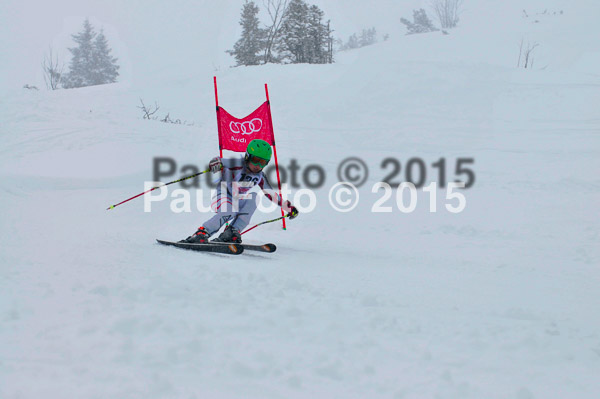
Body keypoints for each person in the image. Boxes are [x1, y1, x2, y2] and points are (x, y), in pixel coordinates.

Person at [180, 139, 298, 244]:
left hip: (238, 199)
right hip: (223, 195)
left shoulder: (260, 176)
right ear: (247, 156)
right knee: (230, 210)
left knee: (254, 197)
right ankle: (202, 233)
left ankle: (231, 232)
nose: (257, 165)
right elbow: (219, 160)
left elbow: (270, 194)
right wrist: (215, 163)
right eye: (255, 160)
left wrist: (288, 207)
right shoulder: (236, 164)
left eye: (262, 162)